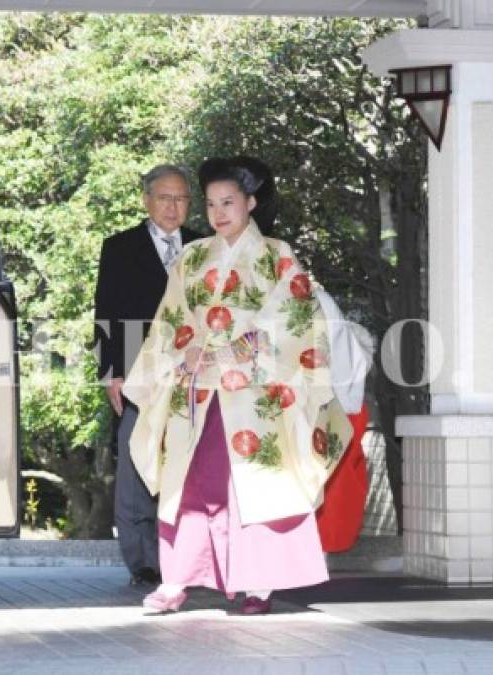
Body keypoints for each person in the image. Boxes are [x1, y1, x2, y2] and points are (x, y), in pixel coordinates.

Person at [122, 158, 353, 615]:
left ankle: (258, 582)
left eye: (228, 202)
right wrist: (180, 352)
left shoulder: (276, 255)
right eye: (210, 204)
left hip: (256, 393)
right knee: (190, 481)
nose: (218, 213)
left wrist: (243, 348)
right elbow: (170, 320)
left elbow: (297, 319)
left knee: (253, 481)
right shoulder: (192, 257)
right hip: (199, 390)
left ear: (250, 203)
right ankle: (177, 578)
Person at [93, 165, 203, 586]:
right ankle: (141, 558)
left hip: (192, 373)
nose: (173, 207)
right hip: (139, 372)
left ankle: (186, 554)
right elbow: (106, 312)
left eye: (181, 199)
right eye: (164, 198)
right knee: (138, 460)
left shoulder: (203, 246)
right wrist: (112, 374)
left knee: (187, 462)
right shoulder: (119, 247)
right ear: (146, 199)